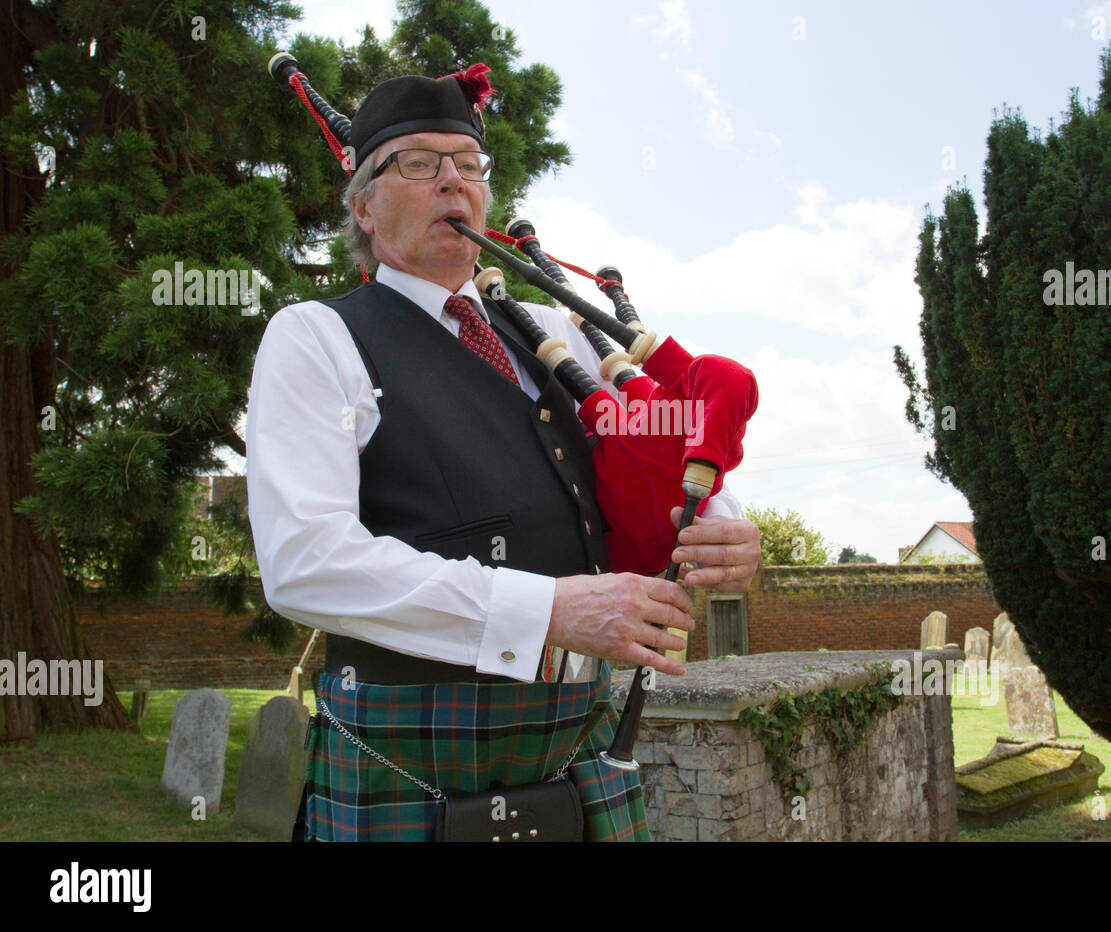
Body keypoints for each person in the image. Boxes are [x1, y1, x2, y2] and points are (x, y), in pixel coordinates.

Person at [245, 65, 760, 842]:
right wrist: (549, 609)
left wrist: (724, 521)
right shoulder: (318, 336)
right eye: (418, 163)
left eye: (469, 163)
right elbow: (305, 561)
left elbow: (657, 438)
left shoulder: (551, 328)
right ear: (364, 207)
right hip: (410, 756)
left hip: (578, 746)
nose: (453, 181)